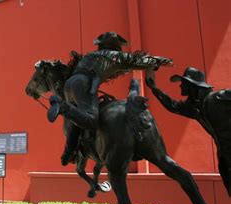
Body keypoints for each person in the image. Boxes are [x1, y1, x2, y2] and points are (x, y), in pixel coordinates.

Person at [49, 32, 173, 165]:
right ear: (115, 46)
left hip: (71, 83)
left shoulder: (92, 56)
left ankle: (69, 152)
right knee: (91, 120)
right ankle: (62, 107)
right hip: (84, 83)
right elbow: (136, 60)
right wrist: (163, 61)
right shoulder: (113, 55)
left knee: (77, 119)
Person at [146, 67, 231, 196]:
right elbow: (172, 106)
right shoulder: (194, 108)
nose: (180, 86)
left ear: (192, 85)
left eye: (183, 83)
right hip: (224, 156)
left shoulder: (217, 98)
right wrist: (154, 88)